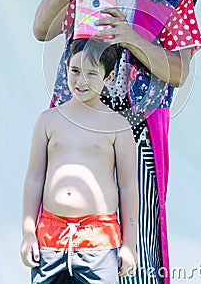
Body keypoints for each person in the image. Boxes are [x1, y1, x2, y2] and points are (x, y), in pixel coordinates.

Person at [33, 0, 201, 284]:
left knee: (137, 245)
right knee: (67, 226)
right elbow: (41, 28)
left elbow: (179, 71)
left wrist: (132, 38)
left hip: (139, 135)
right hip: (76, 129)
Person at [20, 38, 138, 284]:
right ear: (65, 68)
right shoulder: (48, 120)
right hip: (50, 242)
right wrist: (28, 233)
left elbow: (128, 188)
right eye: (75, 71)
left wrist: (129, 244)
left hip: (99, 243)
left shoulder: (118, 125)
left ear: (109, 77)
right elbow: (34, 179)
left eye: (91, 74)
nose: (80, 81)